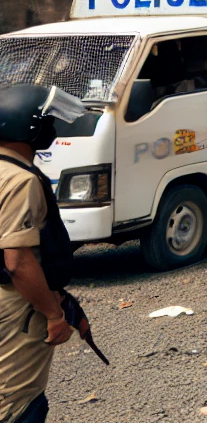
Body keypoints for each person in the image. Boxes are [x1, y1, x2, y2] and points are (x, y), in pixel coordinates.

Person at [0, 85, 84, 423]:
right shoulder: (20, 180)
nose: (52, 128)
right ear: (27, 126)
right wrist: (52, 314)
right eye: (47, 120)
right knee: (19, 404)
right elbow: (18, 262)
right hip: (15, 306)